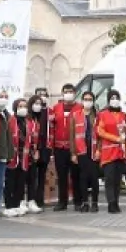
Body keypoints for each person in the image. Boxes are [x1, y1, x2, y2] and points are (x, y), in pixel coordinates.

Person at [49, 84, 83, 212]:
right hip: (59, 147)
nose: (68, 93)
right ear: (62, 93)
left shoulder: (80, 108)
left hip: (74, 147)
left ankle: (78, 201)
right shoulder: (56, 108)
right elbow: (51, 126)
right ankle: (62, 202)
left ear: (75, 93)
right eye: (66, 91)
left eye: (71, 91)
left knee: (76, 175)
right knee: (61, 175)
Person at [4, 98, 37, 216]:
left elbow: (31, 139)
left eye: (24, 106)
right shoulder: (10, 120)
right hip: (12, 156)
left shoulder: (28, 122)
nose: (23, 108)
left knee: (20, 182)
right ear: (15, 108)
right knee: (10, 183)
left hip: (25, 157)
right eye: (20, 106)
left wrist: (33, 152)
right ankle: (9, 206)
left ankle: (17, 205)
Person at [78, 91, 101, 212]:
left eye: (90, 99)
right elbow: (72, 135)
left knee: (93, 176)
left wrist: (99, 149)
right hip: (81, 149)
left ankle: (95, 202)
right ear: (82, 101)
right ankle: (84, 202)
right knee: (83, 176)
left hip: (93, 148)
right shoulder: (76, 115)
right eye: (85, 99)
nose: (87, 101)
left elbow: (101, 134)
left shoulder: (97, 115)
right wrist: (73, 153)